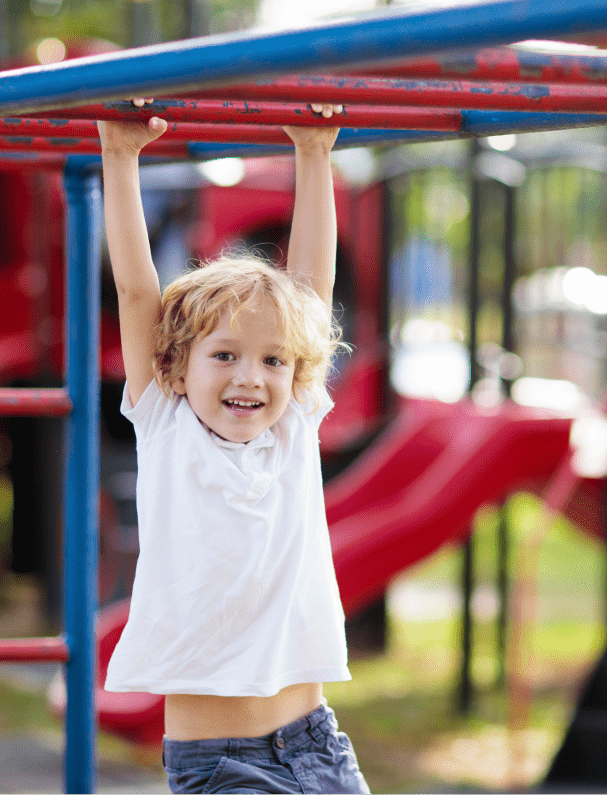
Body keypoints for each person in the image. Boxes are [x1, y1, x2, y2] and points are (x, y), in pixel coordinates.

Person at [97, 100, 370, 795]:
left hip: (316, 741)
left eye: (274, 361)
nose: (251, 376)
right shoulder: (165, 423)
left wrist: (313, 154)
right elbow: (135, 291)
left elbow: (313, 289)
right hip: (220, 761)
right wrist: (122, 157)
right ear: (175, 366)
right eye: (225, 355)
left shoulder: (293, 429)